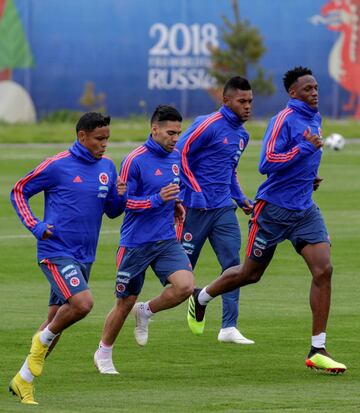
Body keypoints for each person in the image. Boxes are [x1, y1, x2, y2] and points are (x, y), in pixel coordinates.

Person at [187, 67, 347, 373]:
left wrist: (308, 178)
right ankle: (202, 296)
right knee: (250, 274)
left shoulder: (315, 118)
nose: (314, 92)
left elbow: (302, 160)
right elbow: (267, 164)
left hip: (304, 210)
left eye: (315, 87)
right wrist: (303, 149)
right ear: (293, 93)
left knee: (324, 269)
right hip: (272, 210)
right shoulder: (283, 120)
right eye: (307, 89)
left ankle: (317, 348)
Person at [9, 112, 126, 404]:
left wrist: (121, 196)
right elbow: (19, 190)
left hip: (84, 256)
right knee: (83, 303)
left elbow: (111, 210)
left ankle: (23, 380)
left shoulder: (108, 168)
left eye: (108, 139)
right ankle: (40, 342)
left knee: (55, 322)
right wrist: (35, 225)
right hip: (56, 252)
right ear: (82, 136)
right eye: (99, 139)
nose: (104, 144)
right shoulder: (58, 165)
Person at [93, 105, 194, 374]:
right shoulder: (134, 160)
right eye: (171, 133)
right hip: (136, 242)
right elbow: (125, 203)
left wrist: (175, 204)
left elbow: (171, 190)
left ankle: (146, 311)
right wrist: (157, 199)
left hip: (165, 239)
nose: (175, 138)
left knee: (185, 287)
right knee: (124, 302)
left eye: (178, 133)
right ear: (154, 129)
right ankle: (104, 352)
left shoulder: (176, 157)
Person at [176, 76, 254, 344]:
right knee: (180, 275)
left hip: (222, 209)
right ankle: (155, 307)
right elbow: (179, 153)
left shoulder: (242, 136)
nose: (247, 106)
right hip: (193, 209)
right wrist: (194, 190)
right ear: (226, 100)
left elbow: (229, 169)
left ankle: (228, 327)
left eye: (250, 101)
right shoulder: (207, 125)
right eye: (242, 101)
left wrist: (240, 197)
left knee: (234, 265)